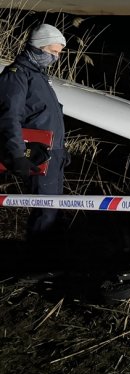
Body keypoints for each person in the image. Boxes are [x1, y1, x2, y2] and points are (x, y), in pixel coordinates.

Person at [0, 24, 68, 240]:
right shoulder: (17, 76)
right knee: (45, 211)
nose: (56, 58)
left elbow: (46, 116)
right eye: (53, 52)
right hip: (35, 153)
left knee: (54, 211)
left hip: (52, 154)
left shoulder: (39, 76)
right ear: (38, 48)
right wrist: (18, 155)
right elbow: (9, 117)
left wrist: (60, 150)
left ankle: (49, 262)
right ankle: (34, 264)